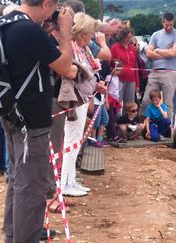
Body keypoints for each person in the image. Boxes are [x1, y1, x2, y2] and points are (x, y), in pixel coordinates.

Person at [0, 1, 74, 242]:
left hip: (10, 115)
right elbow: (66, 67)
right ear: (45, 3)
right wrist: (65, 31)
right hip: (31, 119)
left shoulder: (5, 23)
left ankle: (12, 235)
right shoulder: (29, 30)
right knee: (32, 186)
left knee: (18, 179)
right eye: (52, 7)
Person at [61, 12, 107, 197]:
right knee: (72, 140)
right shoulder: (73, 49)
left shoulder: (83, 49)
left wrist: (95, 85)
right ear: (82, 32)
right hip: (76, 99)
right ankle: (65, 182)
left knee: (75, 140)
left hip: (83, 97)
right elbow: (76, 73)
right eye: (90, 33)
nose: (92, 37)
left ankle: (70, 180)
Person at [140, 12, 176, 121]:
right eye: (167, 25)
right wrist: (166, 54)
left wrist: (158, 50)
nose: (169, 27)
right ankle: (143, 125)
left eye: (171, 25)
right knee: (146, 100)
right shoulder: (156, 35)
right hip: (155, 71)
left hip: (170, 72)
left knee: (168, 102)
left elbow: (173, 53)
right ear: (162, 22)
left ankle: (167, 127)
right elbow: (149, 53)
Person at [110, 27, 139, 114]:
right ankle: (116, 121)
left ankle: (128, 121)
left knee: (130, 104)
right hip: (119, 79)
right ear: (122, 37)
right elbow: (111, 63)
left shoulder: (133, 49)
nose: (129, 39)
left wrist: (137, 84)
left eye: (130, 37)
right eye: (127, 37)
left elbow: (135, 66)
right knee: (118, 101)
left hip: (131, 80)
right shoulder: (115, 48)